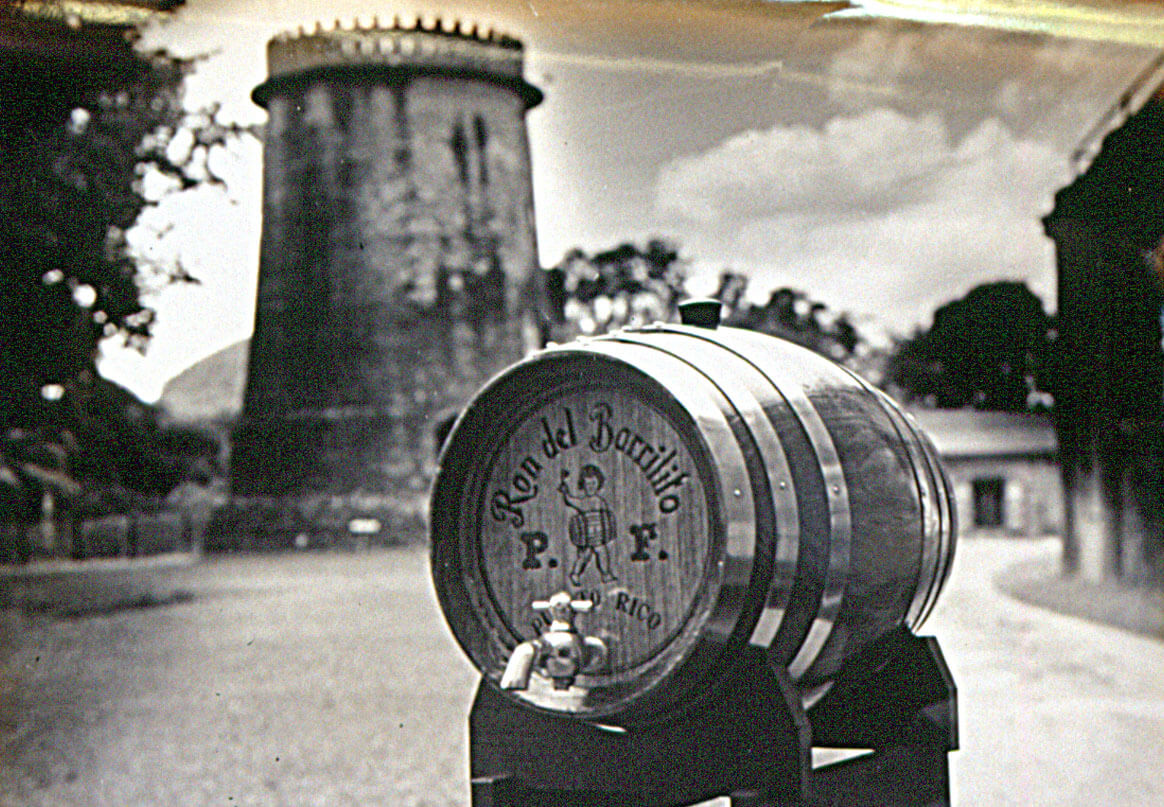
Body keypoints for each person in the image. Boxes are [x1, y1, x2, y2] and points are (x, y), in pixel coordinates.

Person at [558, 464, 618, 586]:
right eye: (588, 484)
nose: (590, 487)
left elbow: (606, 518)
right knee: (591, 555)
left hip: (598, 535)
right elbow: (571, 500)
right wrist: (565, 492)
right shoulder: (584, 502)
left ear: (598, 484)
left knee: (593, 554)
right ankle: (597, 574)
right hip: (588, 535)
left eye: (593, 484)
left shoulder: (600, 501)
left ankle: (584, 574)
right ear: (583, 485)